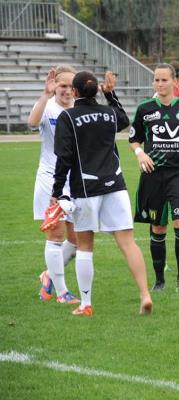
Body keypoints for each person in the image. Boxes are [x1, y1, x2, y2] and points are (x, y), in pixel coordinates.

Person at [52, 71, 153, 316]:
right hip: (116, 185)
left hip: (86, 187)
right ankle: (145, 294)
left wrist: (57, 191)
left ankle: (86, 305)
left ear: (74, 92)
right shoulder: (109, 114)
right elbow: (124, 120)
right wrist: (110, 93)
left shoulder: (68, 116)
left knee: (85, 245)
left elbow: (64, 157)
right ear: (96, 90)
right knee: (128, 243)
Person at [130, 63, 179, 292]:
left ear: (174, 81)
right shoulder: (144, 109)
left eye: (164, 80)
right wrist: (139, 152)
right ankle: (159, 281)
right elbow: (134, 139)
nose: (160, 84)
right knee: (158, 227)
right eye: (157, 80)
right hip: (153, 176)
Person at [29, 65, 80, 305]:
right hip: (51, 179)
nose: (67, 91)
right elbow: (31, 122)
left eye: (72, 86)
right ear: (55, 86)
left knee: (79, 240)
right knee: (56, 234)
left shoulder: (81, 110)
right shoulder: (48, 106)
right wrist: (45, 95)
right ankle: (62, 293)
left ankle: (49, 274)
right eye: (63, 86)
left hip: (76, 181)